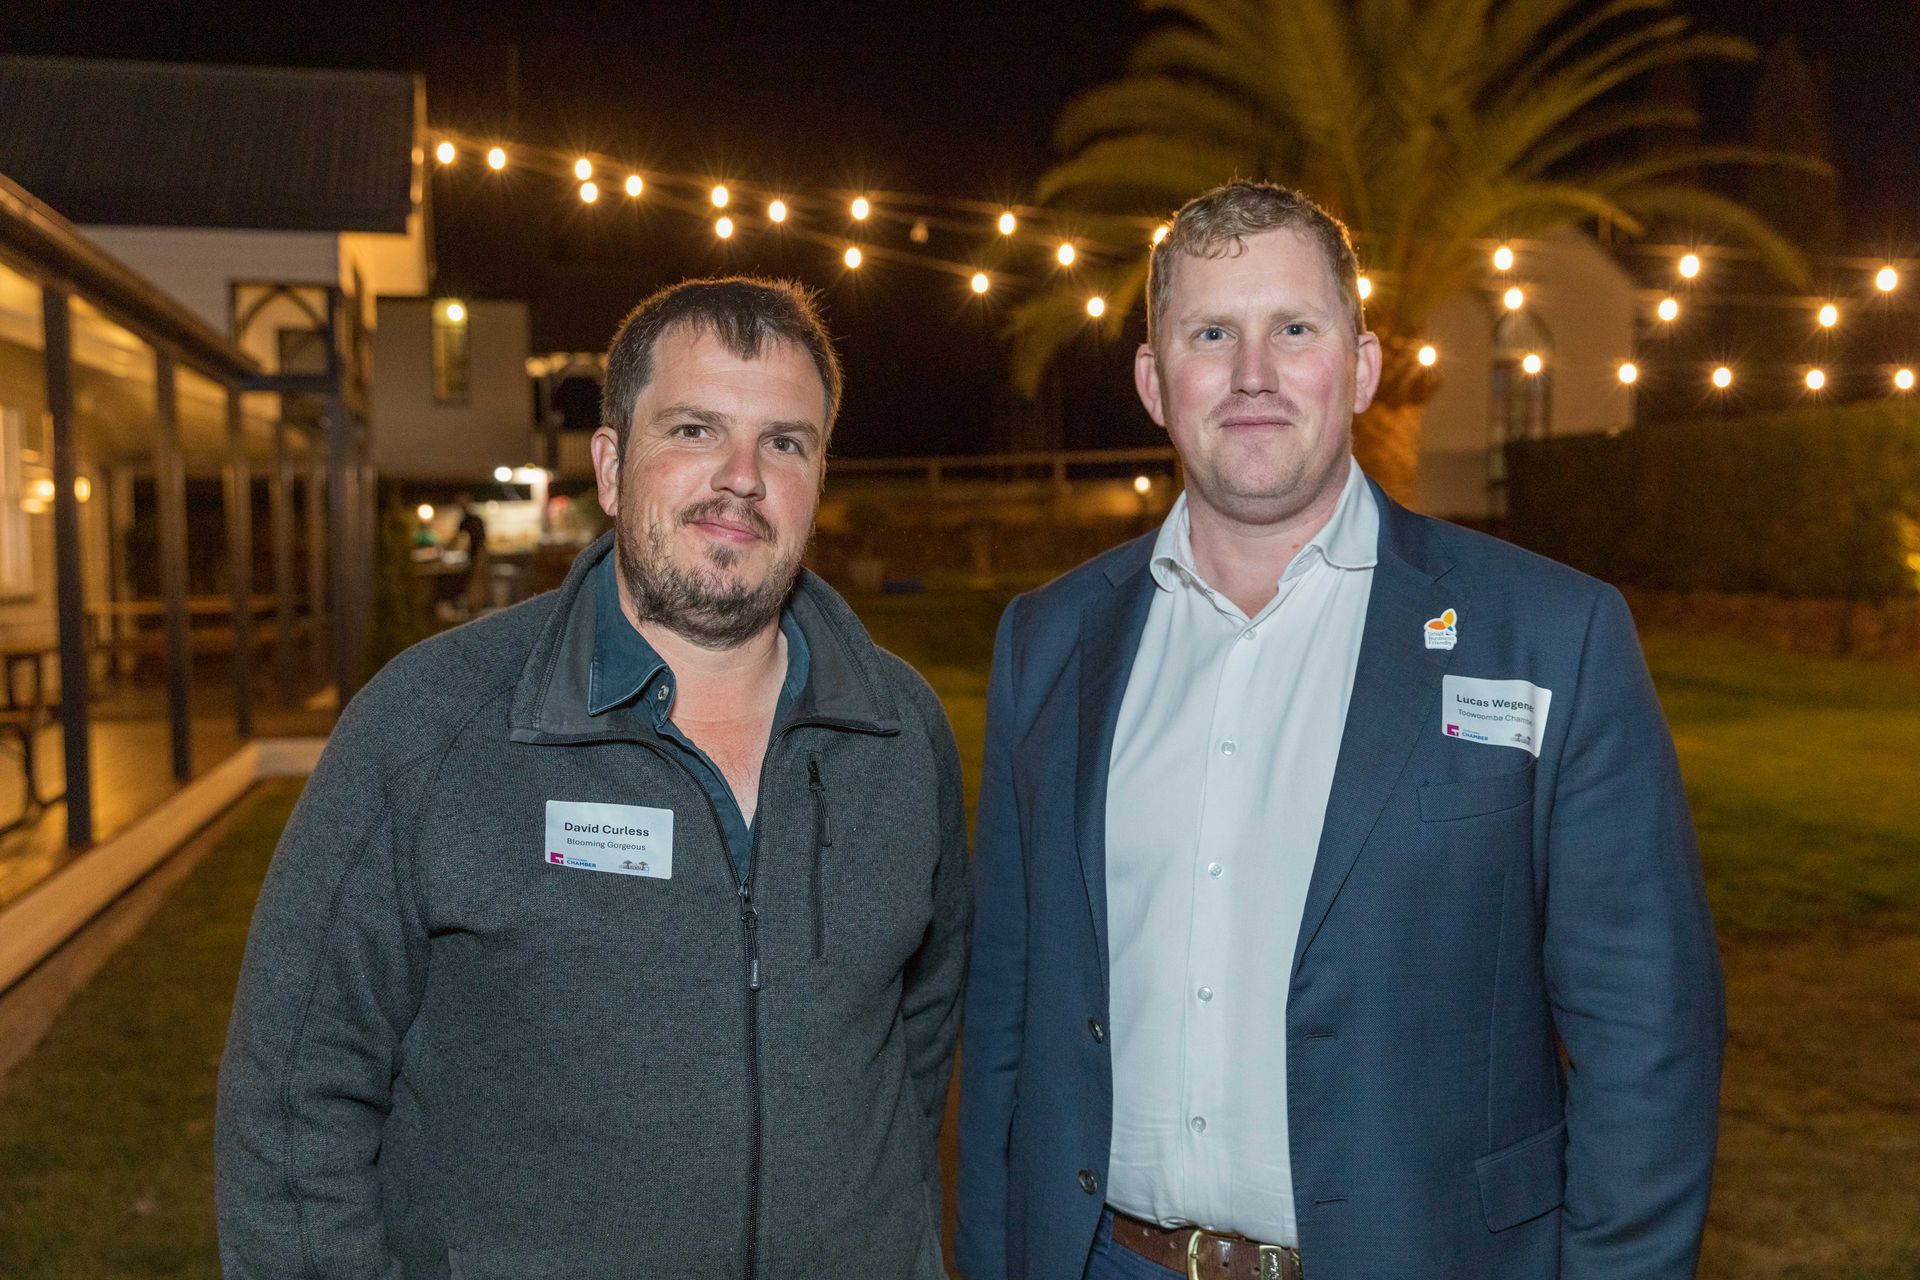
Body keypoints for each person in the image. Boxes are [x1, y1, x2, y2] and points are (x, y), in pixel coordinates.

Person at [955, 182, 1724, 1280]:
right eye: (1211, 332)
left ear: (1361, 367)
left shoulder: (1553, 634)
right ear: (1152, 382)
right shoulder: (1050, 641)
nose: (1253, 373)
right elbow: (1006, 1027)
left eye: (1295, 329)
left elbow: (1647, 1039)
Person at [217, 277, 970, 1279]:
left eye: (785, 441)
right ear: (611, 467)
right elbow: (291, 1093)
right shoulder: (435, 726)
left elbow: (917, 1043)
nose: (741, 477)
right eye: (695, 429)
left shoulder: (900, 730)